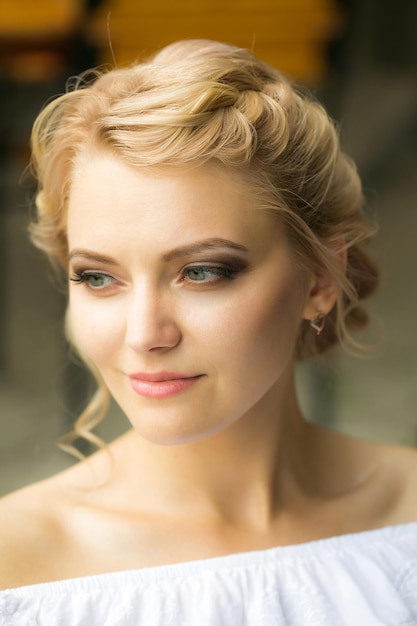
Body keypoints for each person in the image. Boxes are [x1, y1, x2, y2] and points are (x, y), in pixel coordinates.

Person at [0, 39, 416, 625]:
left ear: (323, 277)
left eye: (202, 272)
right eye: (98, 278)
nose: (145, 334)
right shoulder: (15, 571)